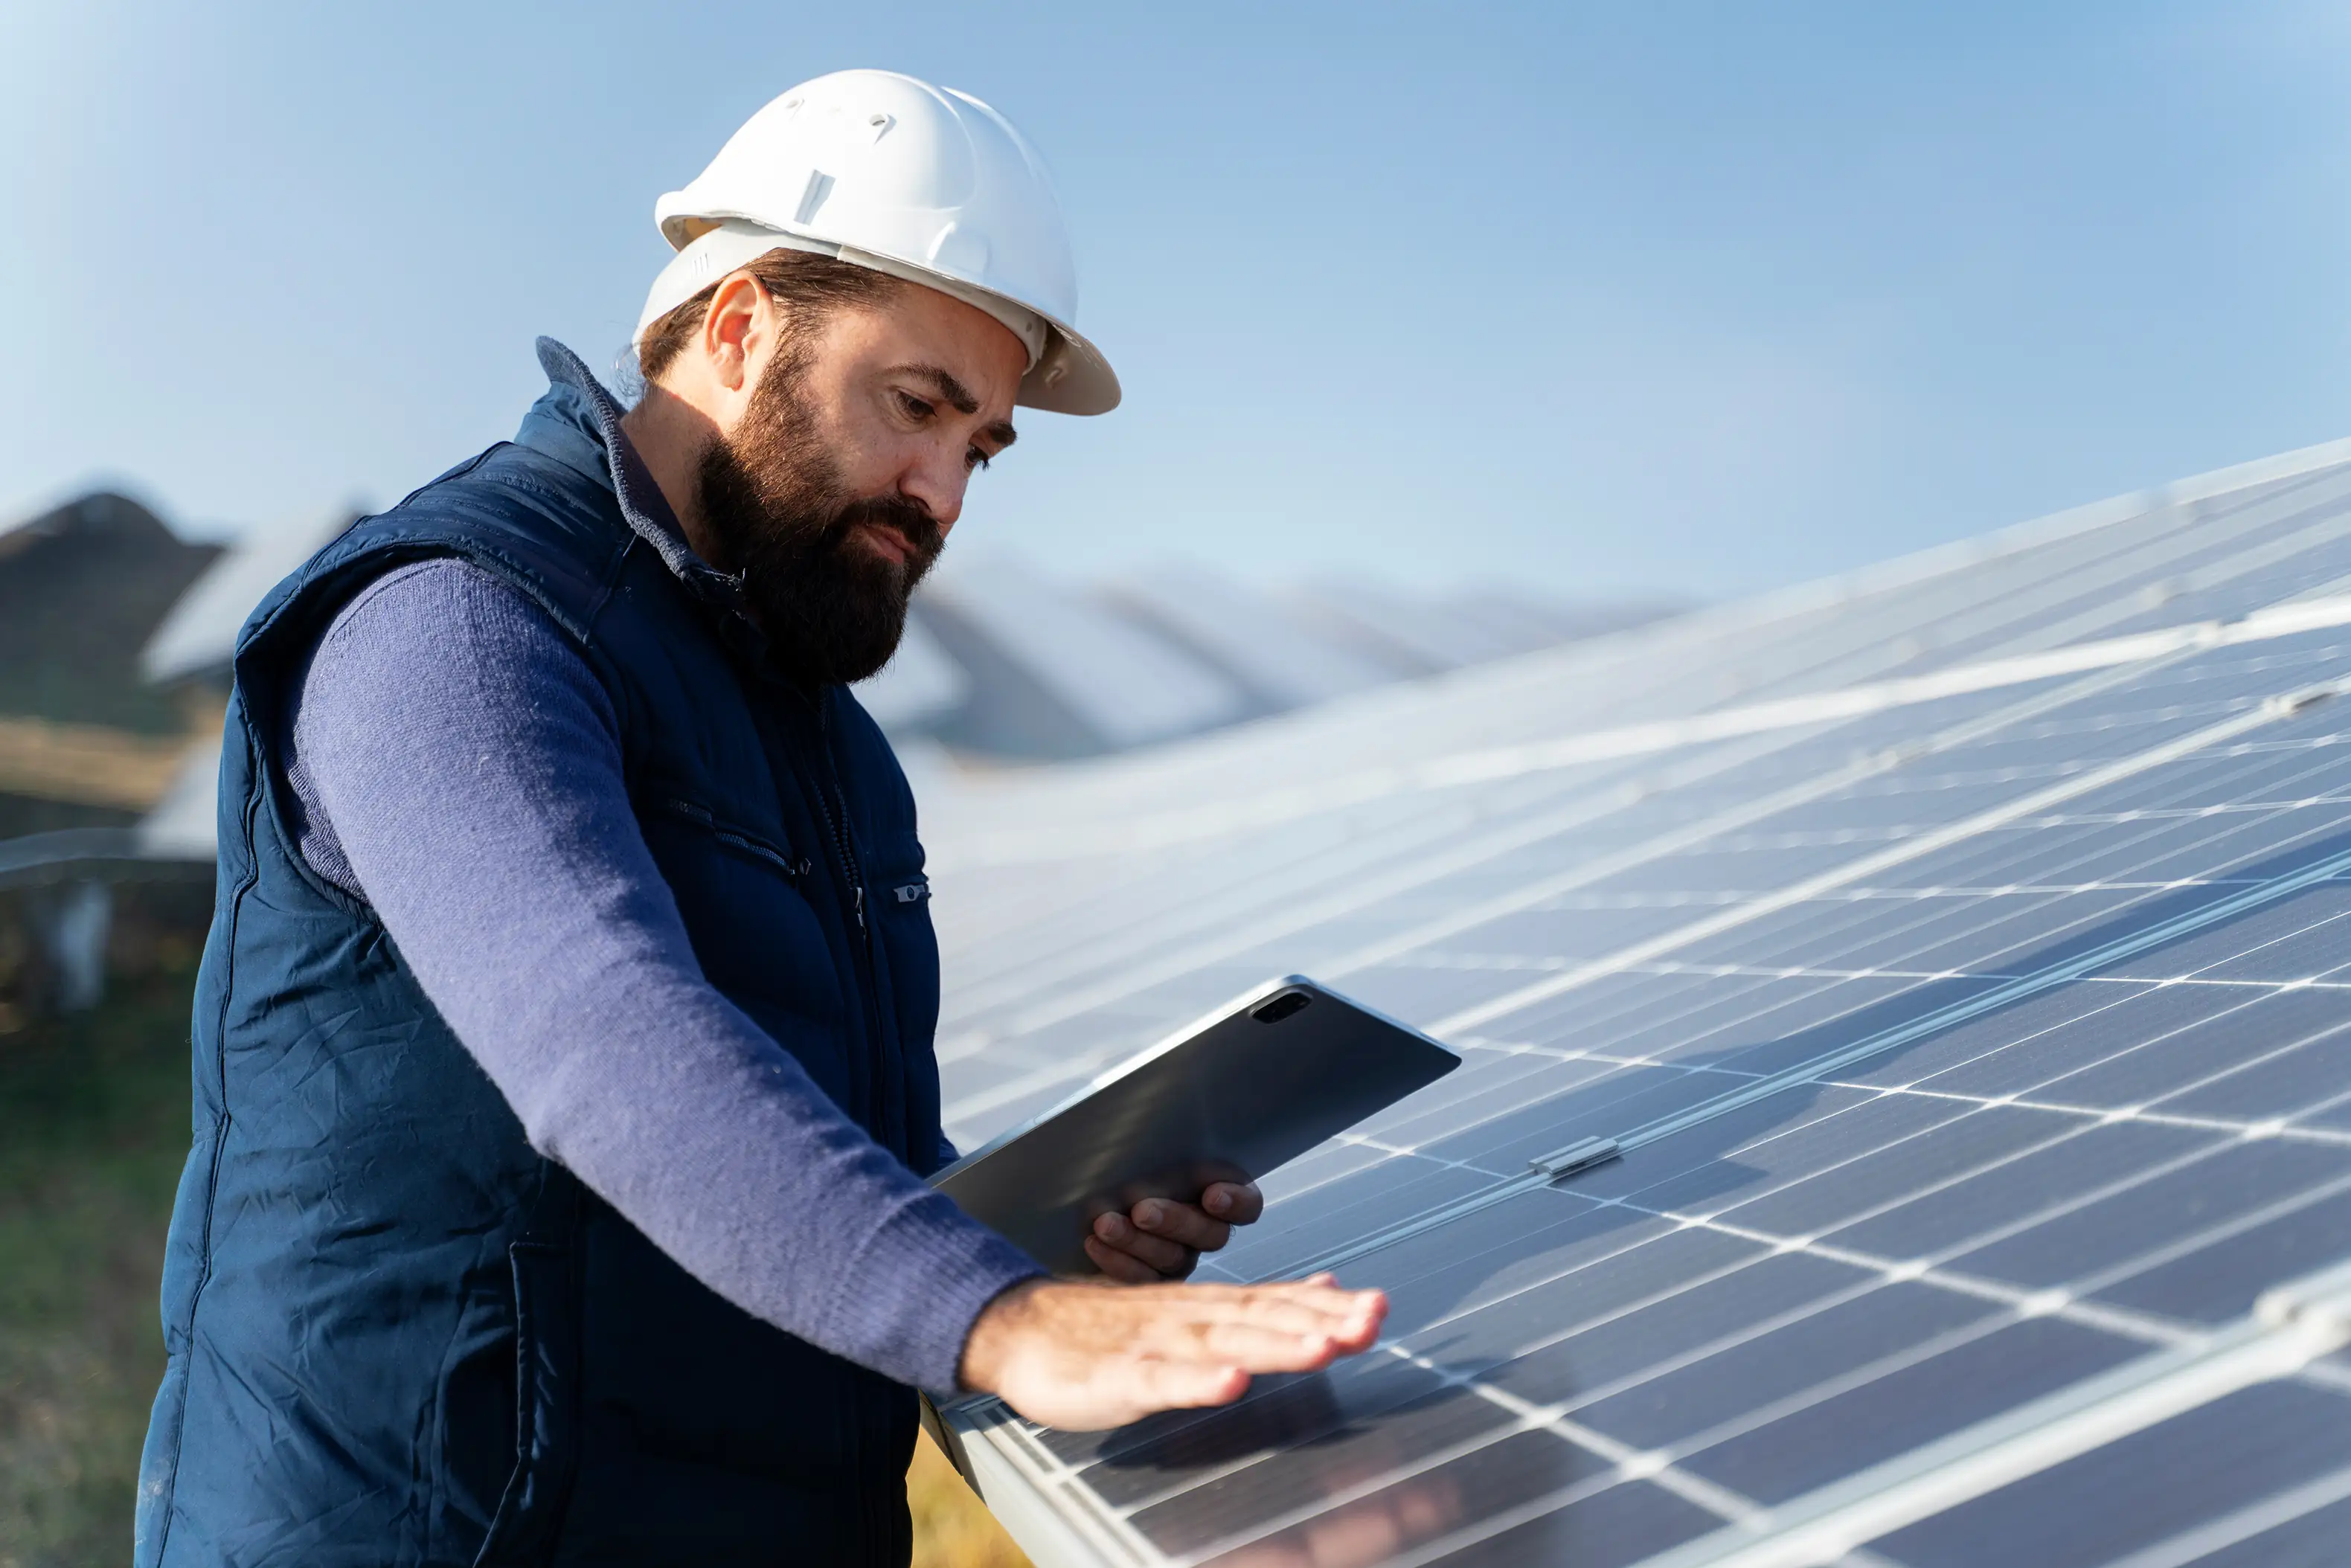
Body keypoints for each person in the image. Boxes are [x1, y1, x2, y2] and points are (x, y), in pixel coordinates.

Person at [135, 69, 1384, 1568]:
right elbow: (604, 1045)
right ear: (736, 331)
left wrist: (1047, 1235)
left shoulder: (833, 750)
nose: (943, 495)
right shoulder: (454, 626)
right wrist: (992, 1316)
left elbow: (839, 1158)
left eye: (978, 446)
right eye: (916, 407)